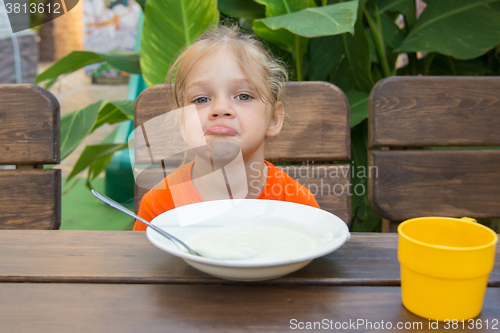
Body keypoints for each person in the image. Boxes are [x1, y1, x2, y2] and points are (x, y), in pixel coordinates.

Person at [133, 24, 319, 231]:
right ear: (184, 124)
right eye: (201, 99)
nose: (220, 109)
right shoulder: (159, 207)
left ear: (274, 119)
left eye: (243, 96)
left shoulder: (296, 204)